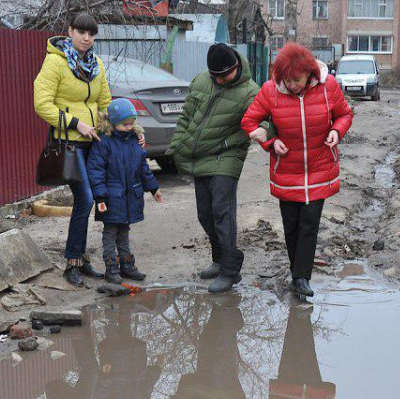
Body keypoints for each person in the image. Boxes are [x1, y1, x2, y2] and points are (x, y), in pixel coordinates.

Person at [34, 13, 139, 287]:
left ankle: (85, 258)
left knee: (99, 197)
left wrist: (130, 131)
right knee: (86, 198)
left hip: (94, 142)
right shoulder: (55, 62)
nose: (86, 37)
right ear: (70, 31)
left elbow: (105, 103)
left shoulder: (96, 64)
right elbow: (41, 104)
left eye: (91, 33)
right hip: (69, 144)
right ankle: (72, 262)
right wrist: (75, 123)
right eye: (81, 32)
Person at [242, 43, 354, 298]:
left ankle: (302, 278)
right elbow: (249, 121)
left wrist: (337, 131)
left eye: (297, 79)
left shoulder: (329, 87)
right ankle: (296, 272)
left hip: (319, 168)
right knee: (291, 226)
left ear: (309, 73)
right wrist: (270, 142)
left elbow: (345, 114)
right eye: (287, 80)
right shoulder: (271, 91)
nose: (292, 85)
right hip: (287, 172)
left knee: (309, 225)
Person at [167, 44, 266, 294]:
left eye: (225, 75)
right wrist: (177, 145)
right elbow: (186, 116)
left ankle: (230, 272)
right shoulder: (202, 81)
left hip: (227, 154)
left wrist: (266, 131)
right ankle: (219, 259)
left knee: (223, 211)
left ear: (235, 67)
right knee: (205, 213)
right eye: (216, 76)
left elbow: (265, 119)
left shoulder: (249, 92)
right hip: (201, 155)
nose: (220, 80)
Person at [87, 98, 164, 285]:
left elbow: (143, 167)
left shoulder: (134, 141)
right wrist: (100, 196)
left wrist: (153, 188)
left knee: (124, 232)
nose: (129, 127)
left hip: (129, 197)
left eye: (132, 123)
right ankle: (111, 268)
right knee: (110, 233)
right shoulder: (104, 142)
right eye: (125, 124)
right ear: (113, 122)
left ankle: (127, 266)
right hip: (111, 198)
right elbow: (96, 171)